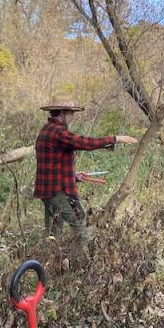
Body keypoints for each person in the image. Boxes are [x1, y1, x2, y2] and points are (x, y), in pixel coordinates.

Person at [34, 92, 138, 241]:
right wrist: (115, 139)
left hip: (48, 193)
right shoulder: (58, 132)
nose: (73, 116)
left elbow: (51, 165)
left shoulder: (46, 130)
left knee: (52, 236)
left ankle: (48, 263)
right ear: (62, 113)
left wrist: (74, 177)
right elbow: (84, 143)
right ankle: (85, 262)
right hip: (59, 193)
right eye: (71, 112)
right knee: (83, 229)